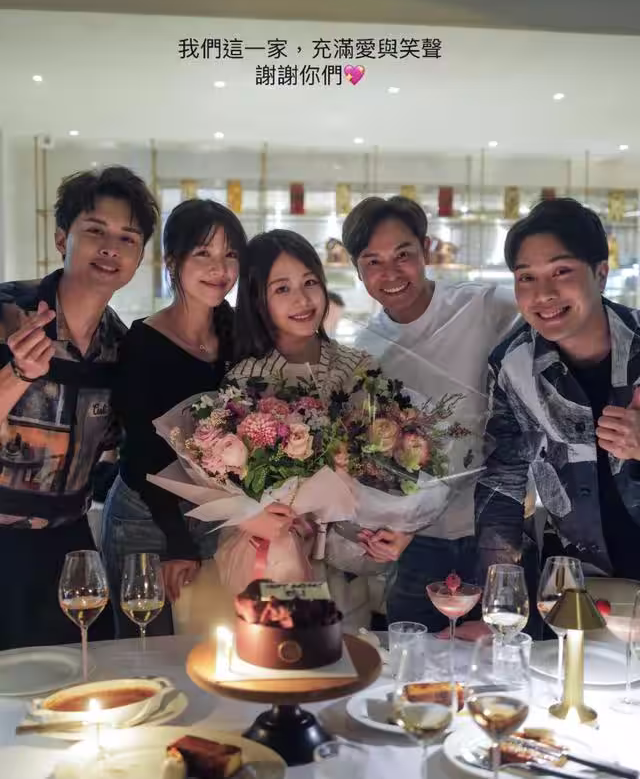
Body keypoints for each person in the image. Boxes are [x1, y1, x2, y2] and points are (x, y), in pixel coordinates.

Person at [341, 195, 520, 632]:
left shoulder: (485, 307)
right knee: (415, 656)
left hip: (498, 528)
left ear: (425, 249)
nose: (390, 273)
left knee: (505, 652)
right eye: (373, 262)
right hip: (418, 543)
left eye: (403, 255)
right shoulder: (365, 351)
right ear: (358, 270)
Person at [0, 166, 158, 650]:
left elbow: (123, 450)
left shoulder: (121, 346)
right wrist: (19, 374)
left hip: (67, 545)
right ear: (61, 239)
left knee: (82, 675)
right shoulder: (8, 312)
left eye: (127, 238)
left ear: (138, 258)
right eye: (95, 231)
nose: (111, 248)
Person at [101, 199, 247, 637]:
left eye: (230, 254)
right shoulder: (143, 342)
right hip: (145, 518)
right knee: (145, 648)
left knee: (214, 647)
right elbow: (142, 454)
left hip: (216, 514)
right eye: (203, 253)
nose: (219, 268)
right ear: (172, 262)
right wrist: (176, 541)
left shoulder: (240, 336)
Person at [476, 198, 640, 583]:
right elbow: (502, 482)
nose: (543, 294)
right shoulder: (513, 364)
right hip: (575, 580)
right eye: (526, 277)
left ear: (600, 274)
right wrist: (498, 588)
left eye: (561, 271)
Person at [222, 230, 378, 627]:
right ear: (258, 299)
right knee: (280, 652)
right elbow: (228, 478)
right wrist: (255, 510)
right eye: (282, 288)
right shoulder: (244, 378)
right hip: (275, 554)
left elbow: (380, 458)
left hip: (348, 556)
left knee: (348, 652)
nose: (303, 299)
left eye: (310, 282)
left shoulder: (358, 366)